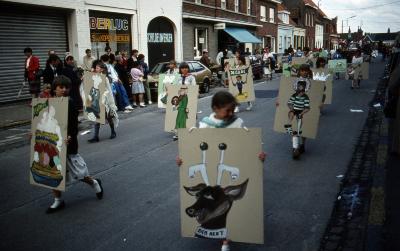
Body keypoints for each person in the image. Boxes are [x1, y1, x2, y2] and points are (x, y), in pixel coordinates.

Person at [45, 75, 103, 214]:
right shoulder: (47, 102)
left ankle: (94, 183)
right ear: (54, 89)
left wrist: (70, 136)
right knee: (53, 173)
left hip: (68, 144)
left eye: (67, 87)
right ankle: (58, 200)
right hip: (52, 143)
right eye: (61, 87)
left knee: (79, 173)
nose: (64, 90)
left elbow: (73, 125)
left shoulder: (70, 102)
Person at [87, 61, 119, 143]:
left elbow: (108, 90)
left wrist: (108, 100)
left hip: (105, 101)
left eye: (97, 68)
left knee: (108, 117)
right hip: (97, 100)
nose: (95, 69)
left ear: (101, 69)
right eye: (96, 68)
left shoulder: (105, 78)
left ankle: (113, 131)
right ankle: (96, 136)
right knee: (97, 118)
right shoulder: (94, 76)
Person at [285, 80, 310, 159]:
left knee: (301, 129)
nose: (300, 92)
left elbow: (307, 108)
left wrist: (302, 113)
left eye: (302, 90)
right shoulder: (294, 95)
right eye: (299, 89)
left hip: (301, 112)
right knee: (293, 128)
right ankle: (295, 148)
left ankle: (302, 144)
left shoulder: (306, 97)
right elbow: (289, 103)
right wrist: (292, 109)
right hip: (294, 110)